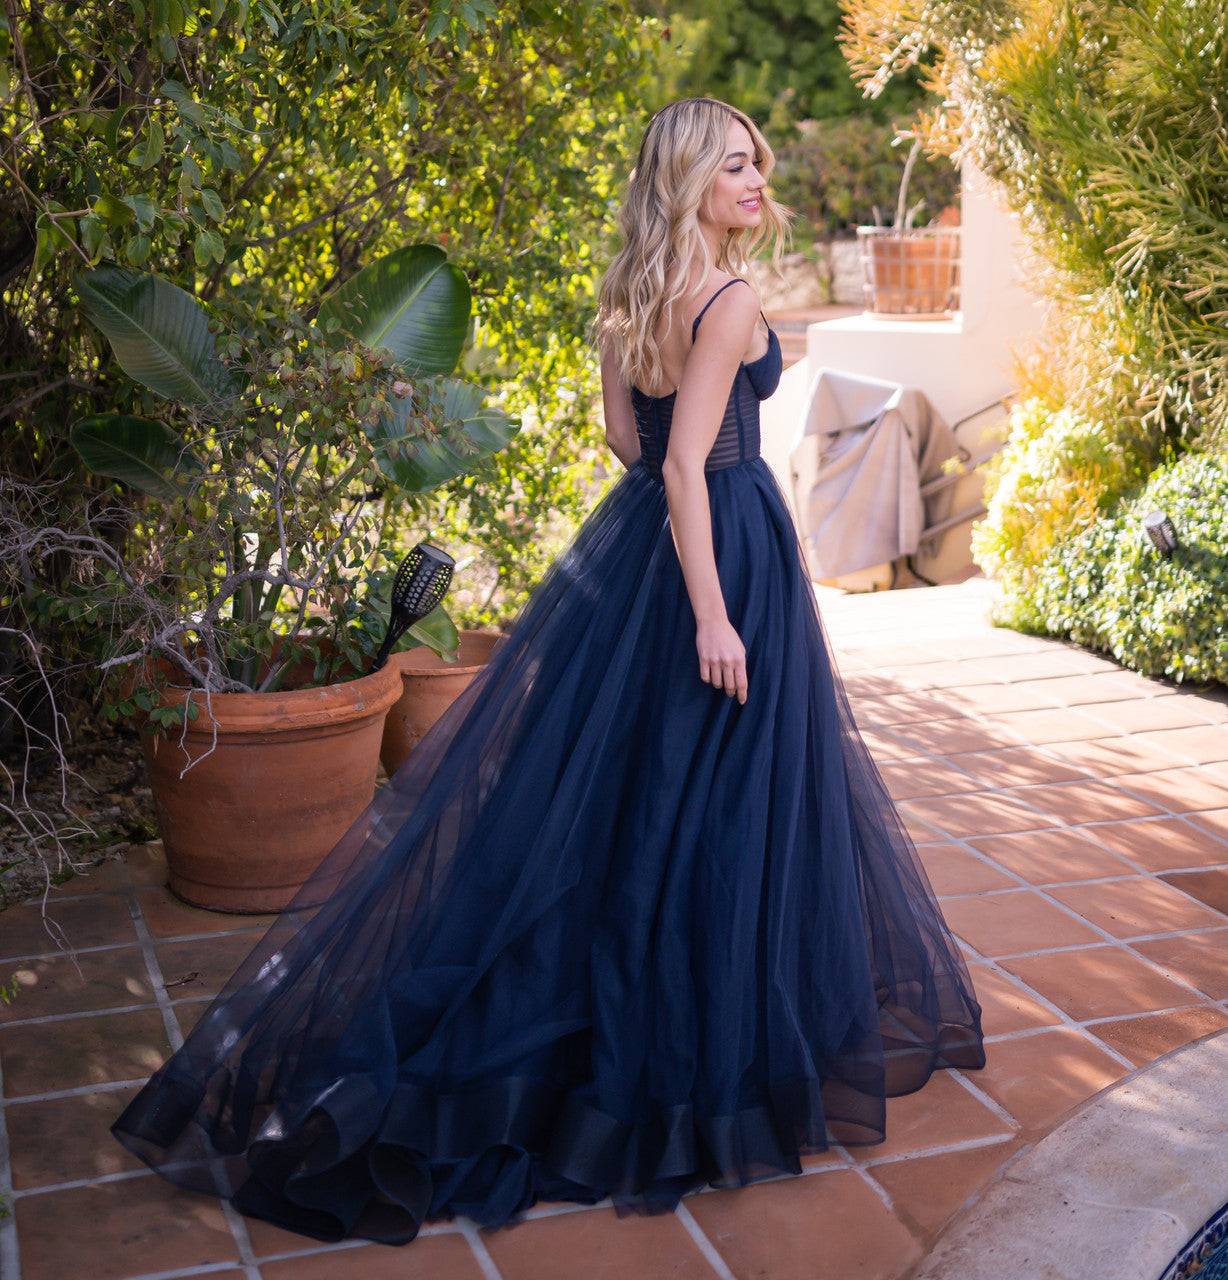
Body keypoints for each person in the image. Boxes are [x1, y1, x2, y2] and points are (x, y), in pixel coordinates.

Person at [113, 97, 984, 1245]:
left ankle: (635, 1009)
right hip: (716, 559)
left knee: (635, 797)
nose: (757, 181)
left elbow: (623, 443)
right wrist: (716, 617)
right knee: (715, 802)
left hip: (640, 559)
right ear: (688, 180)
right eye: (736, 166)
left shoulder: (630, 296)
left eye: (759, 163)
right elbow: (679, 466)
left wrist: (688, 539)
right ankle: (695, 1057)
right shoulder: (725, 301)